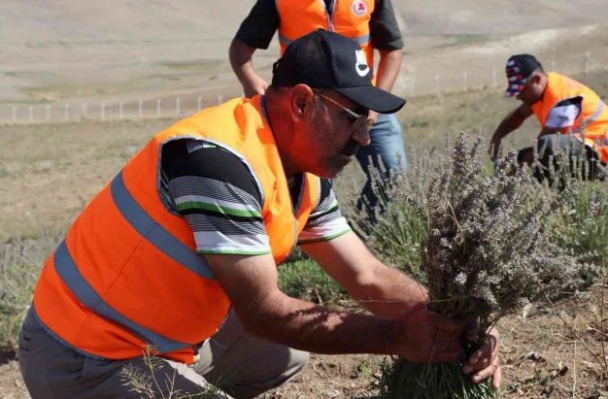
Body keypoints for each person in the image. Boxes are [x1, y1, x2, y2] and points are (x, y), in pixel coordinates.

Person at [18, 30, 501, 399]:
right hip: (85, 354)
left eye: (369, 122)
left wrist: (450, 324)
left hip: (167, 340)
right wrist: (399, 335)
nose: (364, 139)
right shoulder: (216, 160)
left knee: (283, 356)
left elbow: (368, 275)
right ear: (302, 102)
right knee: (277, 335)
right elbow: (264, 313)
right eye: (353, 119)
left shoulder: (304, 171)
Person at [229, 0, 408, 221]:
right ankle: (306, 236)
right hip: (309, 112)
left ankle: (362, 232)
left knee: (392, 169)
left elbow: (392, 50)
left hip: (365, 104)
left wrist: (373, 112)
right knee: (312, 186)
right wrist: (251, 82)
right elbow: (240, 48)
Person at [489, 54, 608, 185]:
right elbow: (519, 115)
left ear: (536, 79)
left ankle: (567, 200)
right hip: (586, 151)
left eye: (521, 90)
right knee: (520, 158)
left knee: (545, 149)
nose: (518, 97)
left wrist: (513, 178)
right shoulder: (541, 93)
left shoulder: (562, 96)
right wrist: (497, 138)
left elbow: (541, 149)